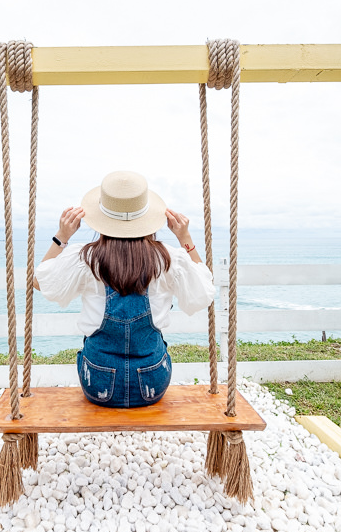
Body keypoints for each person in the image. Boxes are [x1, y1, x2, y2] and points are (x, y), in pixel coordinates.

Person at [34, 171, 216, 408]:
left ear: (102, 217)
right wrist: (185, 238)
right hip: (152, 383)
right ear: (147, 217)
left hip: (97, 384)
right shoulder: (169, 259)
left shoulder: (85, 259)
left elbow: (40, 283)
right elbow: (204, 292)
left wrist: (61, 237)